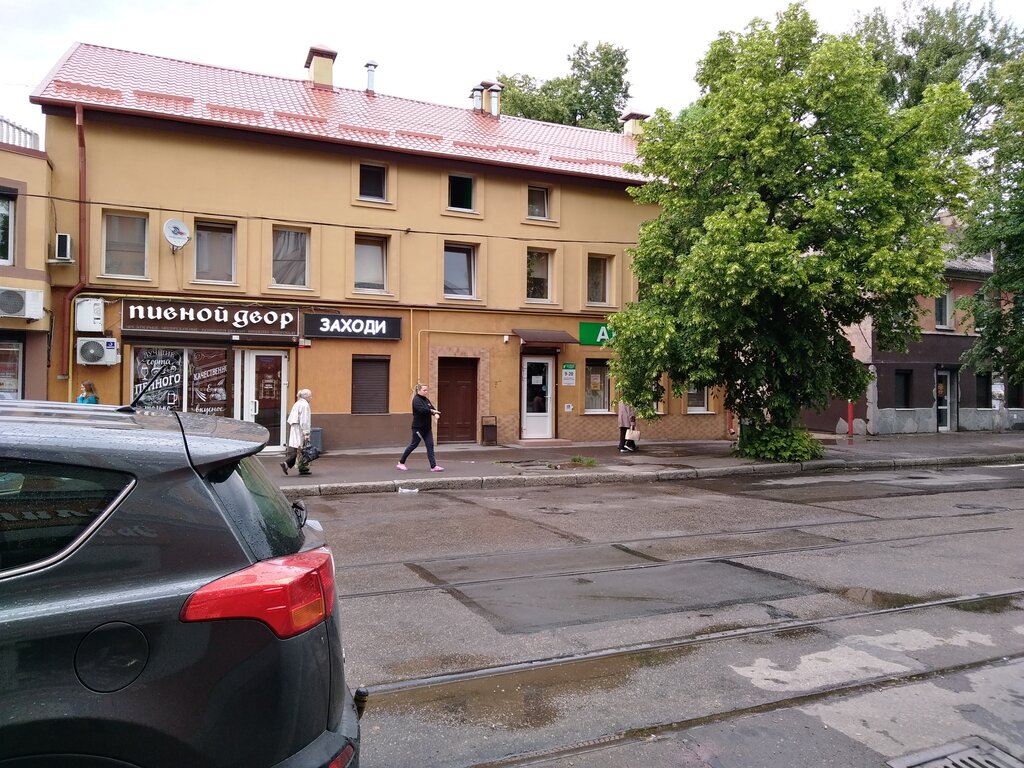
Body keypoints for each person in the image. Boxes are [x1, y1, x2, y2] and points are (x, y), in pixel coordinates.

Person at [396, 383, 444, 472]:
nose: (426, 392)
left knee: (430, 446)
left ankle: (433, 466)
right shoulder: (416, 400)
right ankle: (401, 462)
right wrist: (432, 411)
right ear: (419, 390)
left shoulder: (426, 400)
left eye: (426, 390)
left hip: (427, 428)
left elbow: (432, 408)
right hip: (418, 428)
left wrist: (435, 414)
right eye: (424, 390)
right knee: (413, 445)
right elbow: (422, 410)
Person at [281, 389, 313, 476]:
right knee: (302, 448)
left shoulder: (297, 403)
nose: (311, 398)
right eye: (310, 396)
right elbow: (304, 420)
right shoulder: (305, 405)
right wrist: (306, 433)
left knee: (300, 448)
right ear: (306, 396)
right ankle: (287, 464)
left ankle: (303, 468)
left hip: (295, 427)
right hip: (300, 428)